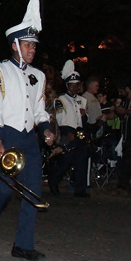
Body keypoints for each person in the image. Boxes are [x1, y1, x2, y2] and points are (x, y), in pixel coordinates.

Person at [0, 0, 55, 261]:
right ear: (15, 45)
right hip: (7, 136)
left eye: (34, 45)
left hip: (29, 140)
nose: (32, 49)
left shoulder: (39, 76)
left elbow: (39, 109)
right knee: (3, 190)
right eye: (28, 45)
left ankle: (23, 245)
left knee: (33, 191)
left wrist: (45, 129)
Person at [49, 60, 90, 197]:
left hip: (80, 134)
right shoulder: (61, 100)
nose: (74, 88)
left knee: (81, 162)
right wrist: (68, 133)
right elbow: (61, 119)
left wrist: (84, 116)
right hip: (68, 133)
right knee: (66, 161)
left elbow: (84, 119)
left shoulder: (82, 100)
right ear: (67, 85)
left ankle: (80, 189)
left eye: (76, 85)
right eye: (71, 85)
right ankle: (53, 182)